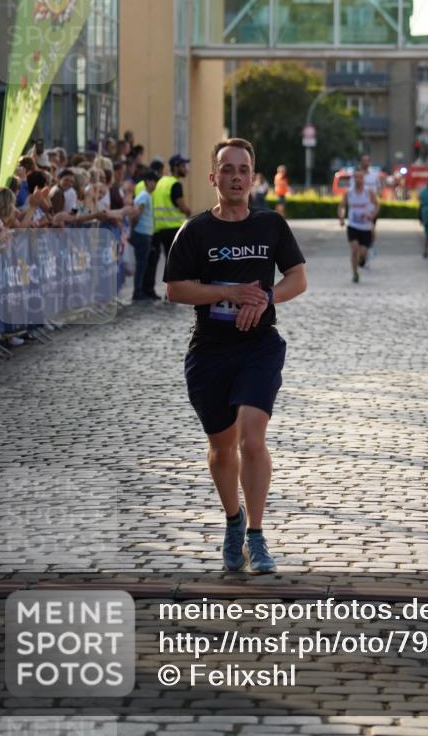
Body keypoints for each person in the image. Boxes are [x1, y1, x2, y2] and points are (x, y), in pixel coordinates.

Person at [164, 138, 307, 574]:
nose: (236, 177)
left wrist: (267, 298)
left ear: (253, 177)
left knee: (252, 438)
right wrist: (226, 292)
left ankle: (258, 536)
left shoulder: (271, 226)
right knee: (223, 448)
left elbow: (298, 278)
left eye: (243, 169)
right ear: (214, 178)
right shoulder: (196, 231)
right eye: (228, 169)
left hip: (259, 346)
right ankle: (233, 520)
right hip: (209, 352)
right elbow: (175, 289)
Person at [142, 153, 190, 299]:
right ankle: (170, 292)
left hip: (157, 228)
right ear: (175, 167)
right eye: (183, 166)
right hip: (173, 228)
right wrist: (189, 211)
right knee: (173, 263)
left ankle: (148, 290)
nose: (186, 169)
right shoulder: (175, 184)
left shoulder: (161, 181)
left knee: (154, 262)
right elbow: (181, 206)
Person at [338, 166, 378, 283]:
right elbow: (342, 206)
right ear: (353, 179)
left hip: (365, 226)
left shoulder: (368, 192)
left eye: (360, 177)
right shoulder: (349, 193)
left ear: (363, 179)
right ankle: (355, 273)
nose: (358, 179)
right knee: (354, 249)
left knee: (363, 252)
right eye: (355, 177)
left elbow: (376, 205)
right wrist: (341, 217)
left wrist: (372, 215)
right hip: (353, 225)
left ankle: (363, 259)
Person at [129, 169, 159, 302]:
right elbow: (136, 215)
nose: (156, 184)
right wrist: (132, 230)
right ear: (148, 182)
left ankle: (139, 291)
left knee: (143, 264)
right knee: (141, 265)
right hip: (141, 234)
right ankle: (137, 293)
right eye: (154, 181)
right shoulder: (144, 196)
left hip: (145, 233)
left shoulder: (146, 195)